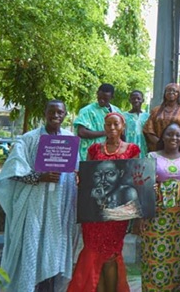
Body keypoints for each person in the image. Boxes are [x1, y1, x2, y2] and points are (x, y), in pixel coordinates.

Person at [0, 100, 78, 292]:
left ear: (65, 114)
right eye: (52, 111)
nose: (55, 115)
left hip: (59, 206)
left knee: (54, 249)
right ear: (44, 112)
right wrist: (39, 177)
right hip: (34, 205)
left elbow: (74, 171)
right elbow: (12, 171)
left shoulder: (69, 139)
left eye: (60, 112)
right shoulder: (29, 139)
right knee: (32, 246)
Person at [68, 112, 140, 292]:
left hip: (117, 213)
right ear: (104, 127)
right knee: (92, 252)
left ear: (123, 126)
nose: (112, 128)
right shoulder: (94, 149)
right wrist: (80, 179)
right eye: (108, 124)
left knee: (111, 254)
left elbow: (136, 179)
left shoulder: (132, 150)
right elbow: (88, 177)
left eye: (116, 124)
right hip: (94, 212)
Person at [140, 122, 180, 291]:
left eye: (177, 135)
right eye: (169, 134)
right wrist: (142, 216)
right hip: (156, 217)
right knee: (154, 255)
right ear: (162, 137)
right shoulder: (151, 157)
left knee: (178, 258)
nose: (174, 138)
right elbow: (142, 186)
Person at [143, 83, 180, 151]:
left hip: (179, 148)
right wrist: (161, 143)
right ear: (165, 93)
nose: (171, 92)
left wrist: (176, 142)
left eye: (174, 91)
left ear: (178, 94)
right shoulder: (156, 110)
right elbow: (148, 130)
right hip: (158, 148)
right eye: (168, 90)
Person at [74, 83, 120, 161]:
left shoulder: (117, 112)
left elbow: (121, 133)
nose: (101, 100)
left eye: (105, 98)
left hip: (111, 155)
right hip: (90, 155)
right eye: (99, 97)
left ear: (112, 97)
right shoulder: (86, 111)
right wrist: (105, 133)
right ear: (97, 94)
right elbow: (81, 132)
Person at [122, 90, 149, 157]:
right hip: (128, 145)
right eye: (133, 99)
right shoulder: (124, 116)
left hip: (143, 146)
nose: (136, 100)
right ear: (130, 100)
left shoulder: (148, 116)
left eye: (138, 98)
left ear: (143, 100)